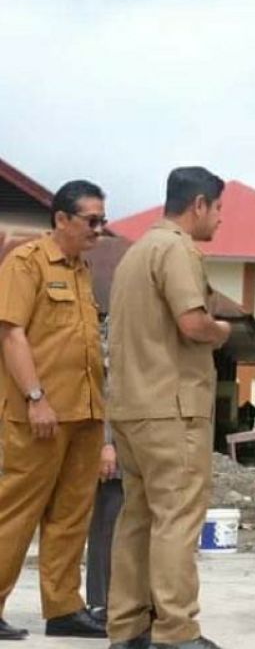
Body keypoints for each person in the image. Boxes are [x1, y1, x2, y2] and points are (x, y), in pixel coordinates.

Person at [106, 166, 232, 649]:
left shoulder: (135, 252)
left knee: (138, 519)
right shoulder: (177, 249)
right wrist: (221, 331)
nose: (220, 220)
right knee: (178, 520)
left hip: (132, 408)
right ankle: (176, 632)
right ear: (198, 204)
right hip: (171, 409)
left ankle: (128, 627)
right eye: (218, 208)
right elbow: (193, 323)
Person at [0, 180, 109, 641]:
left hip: (84, 414)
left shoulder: (82, 269)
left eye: (102, 221)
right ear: (61, 219)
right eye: (92, 221)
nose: (99, 230)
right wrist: (36, 397)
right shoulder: (27, 263)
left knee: (71, 514)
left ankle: (64, 607)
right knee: (16, 511)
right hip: (39, 415)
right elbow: (10, 333)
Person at [85, 314, 123, 625]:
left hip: (133, 447)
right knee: (105, 527)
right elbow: (105, 395)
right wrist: (105, 444)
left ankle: (120, 601)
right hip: (109, 447)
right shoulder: (108, 345)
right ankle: (100, 603)